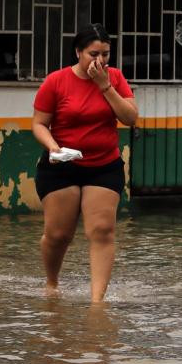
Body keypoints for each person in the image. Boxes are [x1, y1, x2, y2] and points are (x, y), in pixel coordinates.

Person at [32, 24, 138, 302]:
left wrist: (105, 87)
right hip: (61, 166)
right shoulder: (56, 81)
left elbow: (130, 118)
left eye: (105, 54)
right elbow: (39, 124)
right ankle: (52, 283)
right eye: (93, 54)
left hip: (104, 165)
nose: (100, 61)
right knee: (58, 234)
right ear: (78, 52)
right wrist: (53, 146)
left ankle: (97, 301)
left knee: (102, 230)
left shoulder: (114, 78)